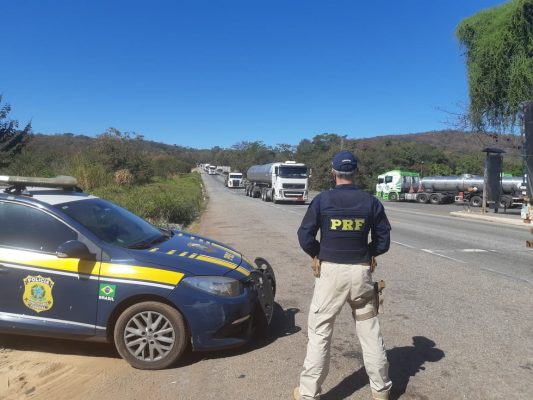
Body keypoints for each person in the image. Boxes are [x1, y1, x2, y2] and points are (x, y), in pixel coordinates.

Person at [294, 150, 392, 400]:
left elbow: (305, 236)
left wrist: (320, 252)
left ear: (333, 173)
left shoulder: (322, 201)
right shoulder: (371, 202)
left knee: (320, 331)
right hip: (361, 273)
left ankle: (308, 394)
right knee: (369, 331)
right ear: (357, 173)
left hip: (330, 274)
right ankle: (381, 390)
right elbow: (383, 241)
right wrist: (367, 252)